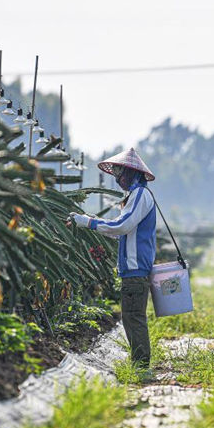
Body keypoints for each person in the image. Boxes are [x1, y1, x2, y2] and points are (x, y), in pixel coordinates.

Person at [69, 147, 156, 376]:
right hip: (132, 270)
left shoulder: (140, 195)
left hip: (136, 270)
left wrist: (88, 223)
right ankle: (140, 365)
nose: (118, 180)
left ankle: (141, 368)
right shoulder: (135, 196)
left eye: (120, 174)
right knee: (131, 317)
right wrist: (94, 222)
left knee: (134, 318)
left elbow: (122, 226)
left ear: (132, 174)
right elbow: (120, 230)